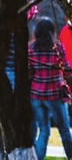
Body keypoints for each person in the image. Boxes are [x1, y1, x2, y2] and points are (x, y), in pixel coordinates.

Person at [29, 17, 72, 160]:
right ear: (51, 32)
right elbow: (67, 69)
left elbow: (29, 72)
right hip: (55, 95)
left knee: (44, 130)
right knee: (64, 131)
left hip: (37, 95)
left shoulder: (31, 49)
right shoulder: (57, 48)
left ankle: (37, 158)